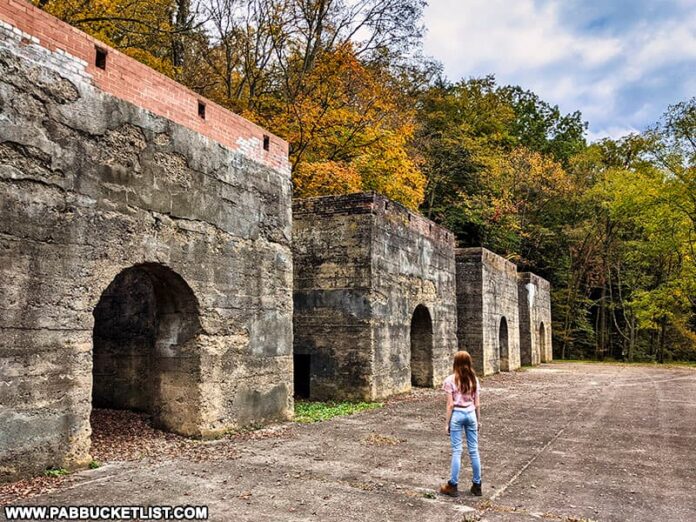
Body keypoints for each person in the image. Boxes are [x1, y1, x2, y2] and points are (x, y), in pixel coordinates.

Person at [439, 350, 482, 497]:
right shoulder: (474, 380)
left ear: (455, 363)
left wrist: (447, 423)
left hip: (457, 413)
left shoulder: (450, 380)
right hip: (471, 414)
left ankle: (453, 485)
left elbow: (450, 405)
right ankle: (477, 485)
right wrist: (478, 420)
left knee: (457, 451)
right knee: (474, 451)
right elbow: (477, 404)